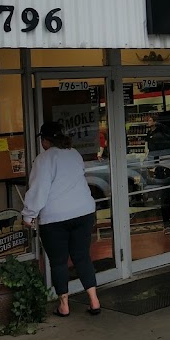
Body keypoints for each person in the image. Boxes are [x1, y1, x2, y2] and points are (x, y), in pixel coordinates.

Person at [22, 121, 101, 317]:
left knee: (58, 262)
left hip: (55, 217)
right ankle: (94, 300)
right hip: (83, 211)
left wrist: (29, 215)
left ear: (45, 140)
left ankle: (64, 306)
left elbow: (39, 190)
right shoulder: (74, 154)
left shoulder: (43, 159)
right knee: (82, 256)